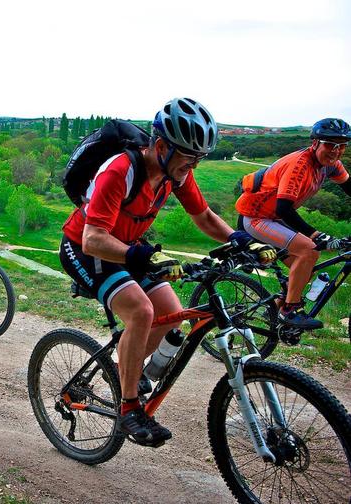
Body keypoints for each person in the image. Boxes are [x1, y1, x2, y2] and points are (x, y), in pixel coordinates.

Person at [60, 98, 274, 447]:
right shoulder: (121, 171)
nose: (193, 166)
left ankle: (124, 373)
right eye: (189, 157)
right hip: (85, 247)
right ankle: (129, 406)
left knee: (171, 316)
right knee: (141, 312)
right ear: (161, 146)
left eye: (199, 159)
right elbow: (93, 238)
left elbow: (203, 217)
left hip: (128, 246)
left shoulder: (176, 173)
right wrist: (143, 256)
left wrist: (241, 240)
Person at [235, 118, 350, 332]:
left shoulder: (330, 165)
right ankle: (290, 310)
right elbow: (284, 209)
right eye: (330, 145)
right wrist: (316, 234)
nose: (336, 151)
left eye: (342, 146)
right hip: (256, 218)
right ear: (315, 143)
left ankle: (270, 318)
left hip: (273, 218)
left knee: (305, 268)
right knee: (309, 250)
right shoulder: (300, 165)